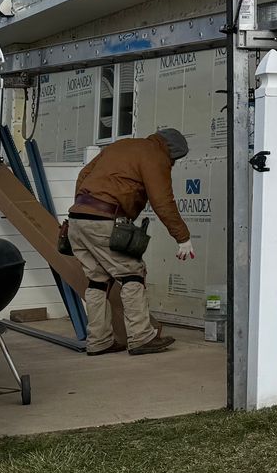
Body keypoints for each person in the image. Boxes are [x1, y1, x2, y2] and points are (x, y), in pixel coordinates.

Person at [64, 126, 196, 356]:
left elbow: (83, 175)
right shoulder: (156, 156)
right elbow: (162, 200)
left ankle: (99, 341)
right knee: (132, 272)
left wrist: (85, 204)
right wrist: (182, 237)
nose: (172, 164)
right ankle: (141, 337)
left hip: (76, 219)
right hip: (103, 219)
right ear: (172, 152)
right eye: (174, 160)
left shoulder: (121, 145)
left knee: (98, 280)